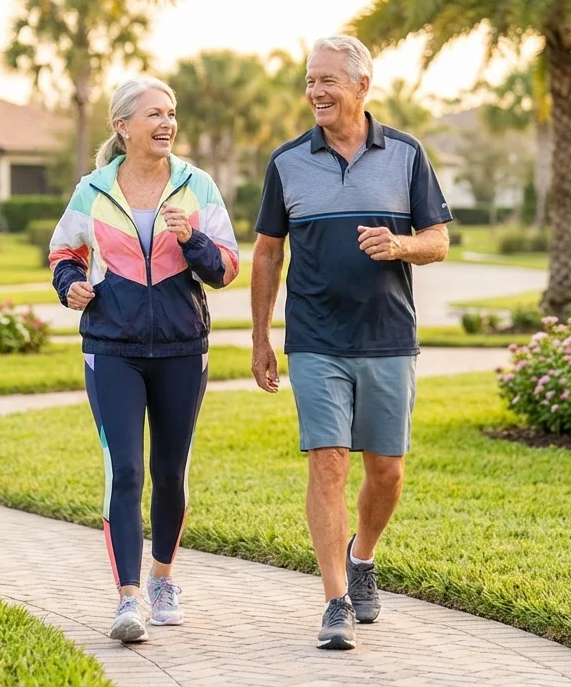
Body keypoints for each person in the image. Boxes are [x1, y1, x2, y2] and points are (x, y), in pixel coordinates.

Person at [249, 35, 451, 650]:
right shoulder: (288, 162)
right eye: (311, 81)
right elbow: (267, 253)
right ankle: (335, 600)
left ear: (362, 86)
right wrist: (261, 337)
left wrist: (401, 245)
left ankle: (362, 557)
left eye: (328, 81)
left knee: (386, 470)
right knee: (328, 460)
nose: (315, 92)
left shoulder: (406, 155)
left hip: (388, 337)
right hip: (316, 339)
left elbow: (438, 240)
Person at [48, 77, 240, 643]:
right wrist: (70, 284)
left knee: (170, 471)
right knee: (125, 470)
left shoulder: (196, 185)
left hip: (182, 349)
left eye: (171, 113)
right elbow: (64, 251)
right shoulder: (93, 190)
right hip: (112, 349)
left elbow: (227, 267)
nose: (167, 123)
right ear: (123, 126)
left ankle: (162, 580)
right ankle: (128, 598)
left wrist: (193, 241)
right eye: (154, 114)